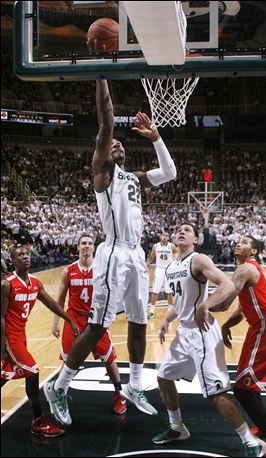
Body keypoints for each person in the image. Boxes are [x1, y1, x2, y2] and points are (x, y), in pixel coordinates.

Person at [43, 68, 177, 424]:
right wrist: (102, 73)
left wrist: (156, 137)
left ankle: (134, 385)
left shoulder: (135, 178)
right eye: (111, 144)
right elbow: (105, 121)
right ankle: (60, 385)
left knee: (138, 320)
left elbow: (171, 173)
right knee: (99, 325)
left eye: (120, 144)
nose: (116, 145)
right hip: (114, 252)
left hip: (135, 253)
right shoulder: (103, 172)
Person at [153, 223, 266, 457]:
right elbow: (180, 300)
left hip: (202, 331)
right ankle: (177, 427)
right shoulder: (172, 266)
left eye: (188, 230)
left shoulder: (199, 259)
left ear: (196, 239)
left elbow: (226, 285)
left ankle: (251, 441)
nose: (181, 231)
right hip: (184, 332)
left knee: (215, 393)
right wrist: (166, 319)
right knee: (164, 377)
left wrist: (206, 305)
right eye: (179, 229)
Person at [218, 235, 266, 457]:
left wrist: (197, 305)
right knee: (248, 387)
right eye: (238, 241)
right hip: (260, 330)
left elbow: (225, 301)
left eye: (245, 242)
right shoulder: (246, 270)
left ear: (253, 252)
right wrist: (227, 325)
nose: (238, 244)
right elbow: (239, 310)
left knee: (242, 390)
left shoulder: (245, 268)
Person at [1, 245, 79, 437]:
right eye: (20, 255)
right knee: (32, 371)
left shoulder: (35, 283)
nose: (25, 257)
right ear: (13, 260)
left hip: (21, 335)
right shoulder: (6, 284)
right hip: (9, 337)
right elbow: (0, 316)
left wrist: (68, 319)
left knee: (7, 373)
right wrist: (2, 344)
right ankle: (38, 421)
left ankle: (38, 421)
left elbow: (51, 303)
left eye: (27, 254)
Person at [51, 234, 126, 415]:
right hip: (74, 318)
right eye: (83, 243)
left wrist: (109, 317)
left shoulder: (101, 269)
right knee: (68, 358)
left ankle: (119, 394)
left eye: (90, 243)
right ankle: (60, 393)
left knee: (108, 357)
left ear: (94, 248)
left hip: (95, 318)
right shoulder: (68, 270)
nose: (86, 246)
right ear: (77, 247)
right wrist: (56, 323)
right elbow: (60, 299)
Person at [146, 231, 176, 318]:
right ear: (160, 237)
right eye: (163, 235)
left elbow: (178, 257)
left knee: (169, 291)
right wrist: (146, 264)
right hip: (159, 270)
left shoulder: (172, 246)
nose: (165, 237)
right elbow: (151, 258)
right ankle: (151, 311)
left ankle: (170, 310)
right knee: (155, 291)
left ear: (169, 238)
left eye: (167, 235)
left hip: (169, 270)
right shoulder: (156, 246)